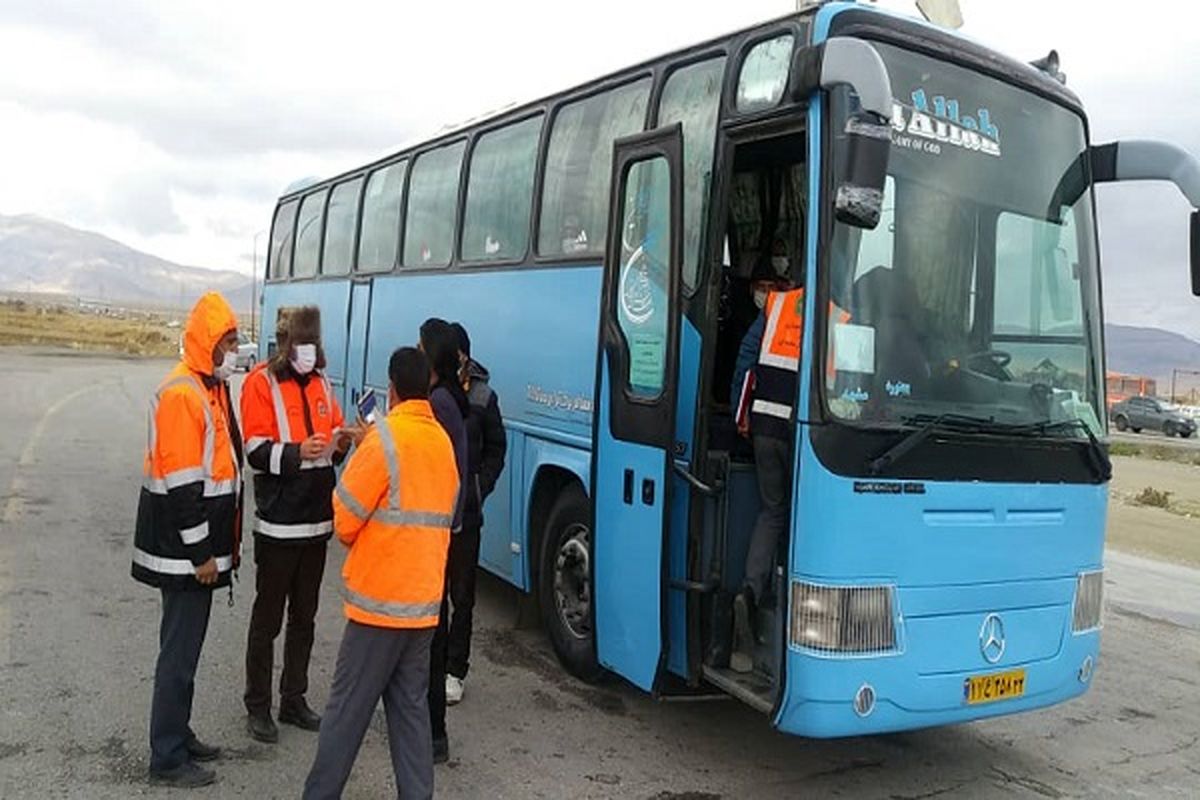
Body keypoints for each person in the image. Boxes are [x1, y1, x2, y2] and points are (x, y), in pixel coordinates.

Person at [302, 347, 459, 800]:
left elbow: (346, 519)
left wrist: (361, 451)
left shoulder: (384, 440)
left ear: (391, 389)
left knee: (346, 713)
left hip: (378, 608)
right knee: (410, 714)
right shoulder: (441, 442)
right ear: (426, 388)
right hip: (423, 609)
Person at [132, 291, 243, 788]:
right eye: (231, 341)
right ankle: (168, 758)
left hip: (195, 554)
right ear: (208, 344)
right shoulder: (184, 395)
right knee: (177, 656)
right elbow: (182, 487)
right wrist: (202, 554)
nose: (237, 349)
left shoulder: (208, 388)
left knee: (185, 652)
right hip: (184, 556)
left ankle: (178, 733)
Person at [240, 306, 358, 742]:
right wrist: (295, 452)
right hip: (278, 524)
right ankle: (257, 706)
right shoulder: (260, 383)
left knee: (304, 619)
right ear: (285, 343)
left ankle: (293, 700)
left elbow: (331, 442)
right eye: (301, 344)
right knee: (267, 620)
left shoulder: (324, 383)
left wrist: (342, 442)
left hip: (316, 522)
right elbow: (254, 450)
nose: (307, 352)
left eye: (313, 344)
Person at [728, 243, 801, 674]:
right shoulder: (833, 313)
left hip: (763, 429)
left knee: (771, 512)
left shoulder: (776, 308)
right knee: (801, 516)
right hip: (800, 432)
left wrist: (743, 418)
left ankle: (750, 592)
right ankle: (789, 604)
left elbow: (745, 360)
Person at [444, 322, 506, 706]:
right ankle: (429, 665)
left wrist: (480, 487)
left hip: (467, 515)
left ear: (462, 355)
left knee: (462, 596)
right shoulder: (435, 393)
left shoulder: (483, 395)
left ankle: (455, 670)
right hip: (433, 513)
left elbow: (497, 448)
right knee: (430, 596)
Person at [418, 318, 468, 764]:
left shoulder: (439, 404)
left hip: (434, 539)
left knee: (431, 637)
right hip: (443, 532)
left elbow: (443, 472)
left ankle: (432, 733)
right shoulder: (451, 397)